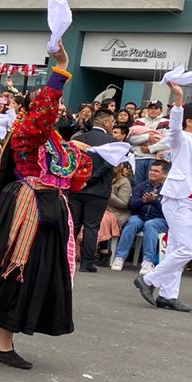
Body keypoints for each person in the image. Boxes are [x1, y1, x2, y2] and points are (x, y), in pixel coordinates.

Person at [0, 43, 92, 369]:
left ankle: (9, 338)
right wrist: (60, 70)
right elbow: (42, 117)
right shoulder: (26, 134)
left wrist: (84, 154)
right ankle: (3, 344)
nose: (56, 111)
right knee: (16, 272)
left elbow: (74, 180)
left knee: (38, 276)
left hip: (52, 215)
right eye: (50, 108)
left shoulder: (57, 141)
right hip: (26, 210)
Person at [135, 85, 192, 312]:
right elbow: (174, 127)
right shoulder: (181, 138)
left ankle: (168, 295)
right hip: (179, 198)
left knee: (177, 248)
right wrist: (179, 99)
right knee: (187, 250)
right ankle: (149, 280)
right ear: (189, 121)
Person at [69, 109, 115, 271]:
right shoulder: (112, 141)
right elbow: (109, 164)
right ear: (105, 122)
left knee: (73, 224)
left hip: (76, 188)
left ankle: (64, 258)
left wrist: (83, 180)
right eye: (112, 122)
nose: (113, 125)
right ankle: (87, 262)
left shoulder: (79, 139)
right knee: (91, 226)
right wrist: (92, 179)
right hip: (98, 189)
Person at [110, 161, 169, 272]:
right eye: (151, 170)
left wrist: (155, 201)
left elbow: (168, 211)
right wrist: (143, 200)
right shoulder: (142, 186)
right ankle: (120, 257)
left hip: (160, 220)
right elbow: (131, 204)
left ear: (165, 174)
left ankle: (148, 261)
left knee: (150, 225)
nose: (152, 173)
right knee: (132, 222)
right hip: (140, 216)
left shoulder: (169, 189)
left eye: (156, 171)